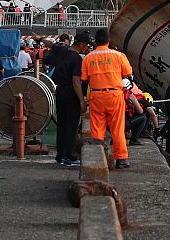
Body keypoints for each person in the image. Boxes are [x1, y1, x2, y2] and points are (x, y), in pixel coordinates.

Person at [81, 29, 133, 169]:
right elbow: (128, 72)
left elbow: (84, 78)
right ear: (108, 41)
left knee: (97, 128)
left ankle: (99, 157)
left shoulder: (88, 58)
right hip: (115, 95)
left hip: (96, 95)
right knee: (117, 128)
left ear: (95, 42)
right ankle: (121, 159)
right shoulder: (118, 55)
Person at [53, 31, 90, 166]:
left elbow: (50, 44)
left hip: (60, 91)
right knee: (72, 126)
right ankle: (70, 156)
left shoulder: (61, 51)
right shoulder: (76, 59)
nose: (86, 49)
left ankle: (60, 155)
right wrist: (81, 100)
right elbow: (76, 81)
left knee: (61, 124)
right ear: (81, 45)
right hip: (71, 93)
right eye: (86, 46)